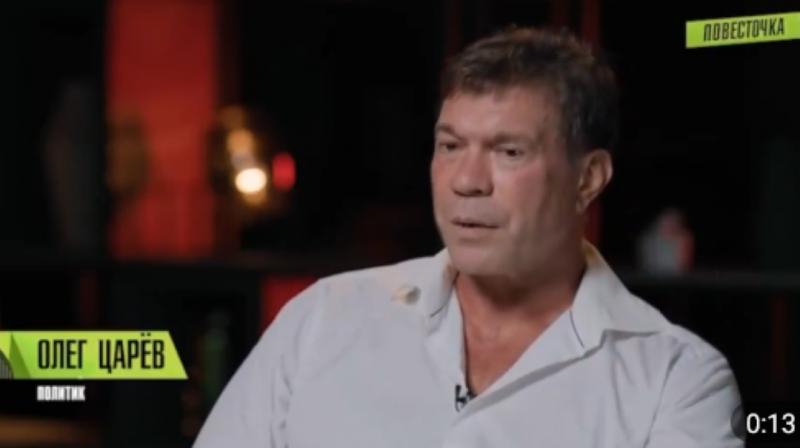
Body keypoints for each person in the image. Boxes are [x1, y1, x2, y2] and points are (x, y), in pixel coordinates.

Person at [194, 26, 742, 448]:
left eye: (509, 152)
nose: (466, 181)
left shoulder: (675, 383)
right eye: (450, 146)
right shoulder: (322, 320)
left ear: (588, 179)